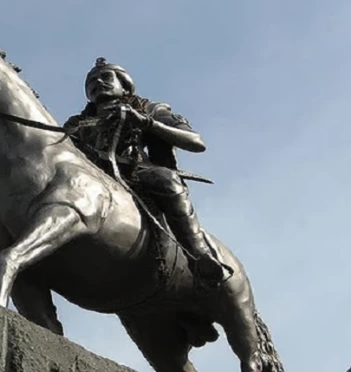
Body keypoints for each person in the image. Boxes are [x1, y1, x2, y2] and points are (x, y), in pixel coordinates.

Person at [64, 57, 231, 285]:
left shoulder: (148, 108)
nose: (98, 82)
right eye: (91, 81)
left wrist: (147, 123)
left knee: (166, 180)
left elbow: (196, 142)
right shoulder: (74, 124)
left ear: (124, 85)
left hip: (137, 173)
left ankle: (199, 254)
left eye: (105, 77)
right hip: (89, 180)